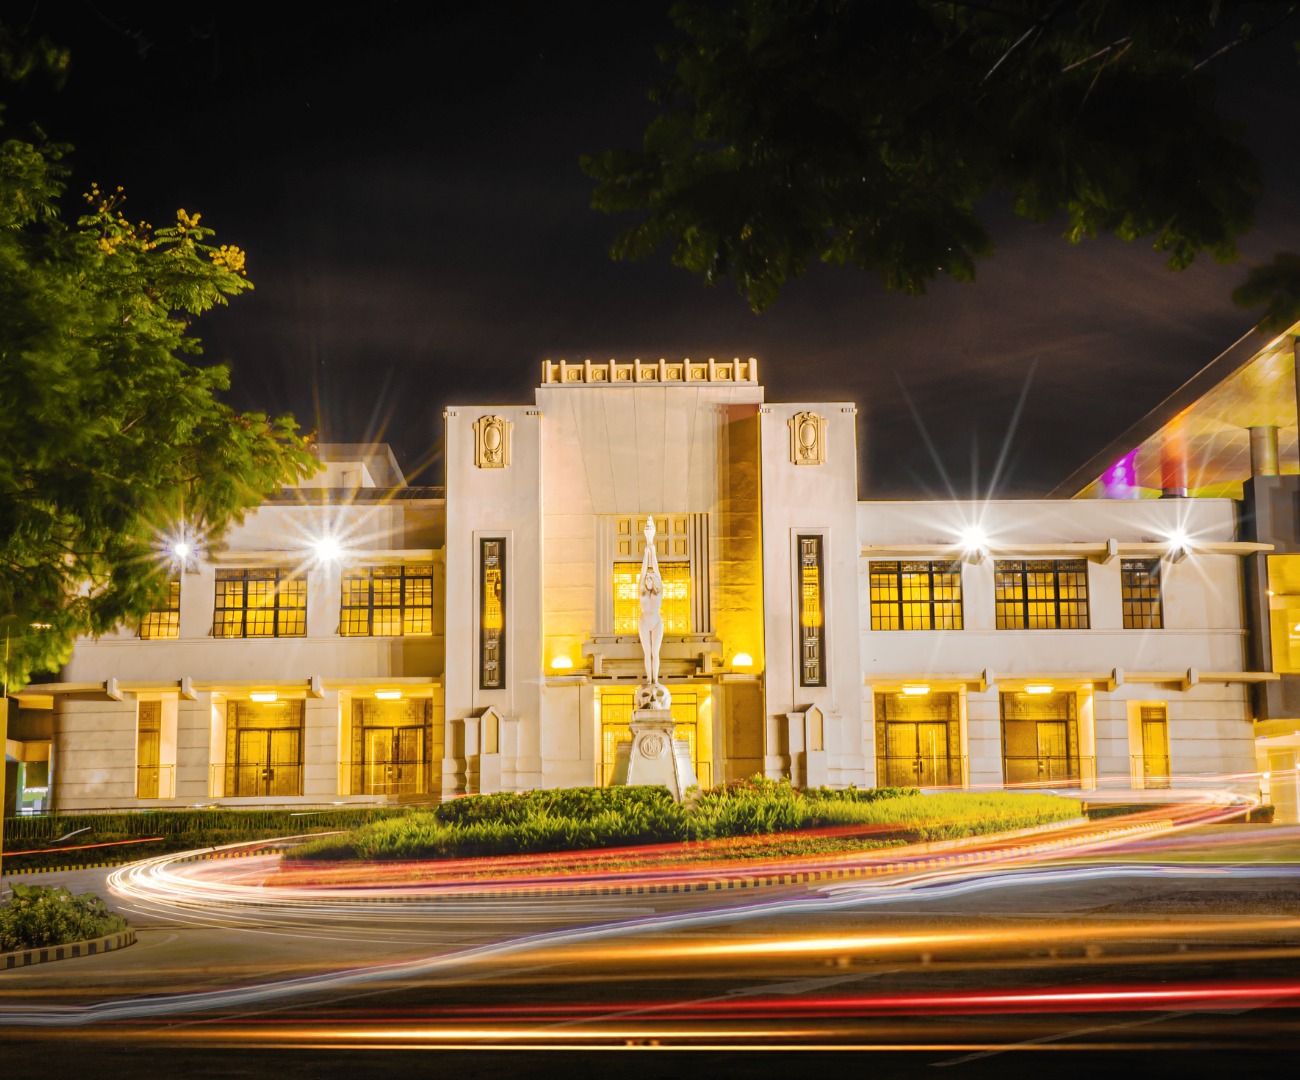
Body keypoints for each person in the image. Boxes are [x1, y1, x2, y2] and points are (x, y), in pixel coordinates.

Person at [638, 517, 664, 687]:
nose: (647, 577)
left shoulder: (658, 590)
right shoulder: (641, 590)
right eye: (646, 577)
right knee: (647, 652)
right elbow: (643, 571)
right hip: (643, 621)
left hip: (656, 621)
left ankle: (655, 680)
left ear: (654, 580)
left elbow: (656, 569)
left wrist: (652, 549)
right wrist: (646, 553)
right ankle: (649, 680)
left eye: (650, 577)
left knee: (655, 651)